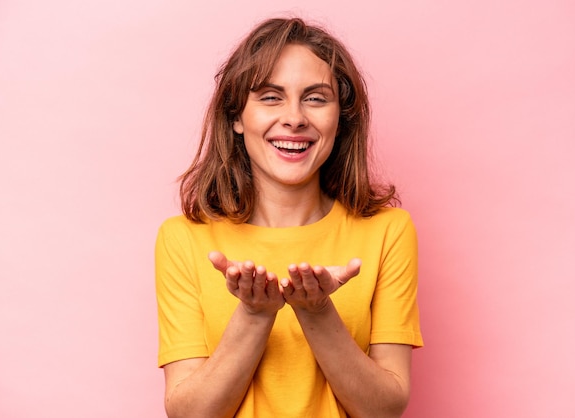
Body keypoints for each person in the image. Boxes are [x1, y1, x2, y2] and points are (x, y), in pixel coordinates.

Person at [155, 17, 423, 418]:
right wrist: (254, 314)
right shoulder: (182, 239)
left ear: (341, 118)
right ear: (236, 118)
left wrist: (317, 312)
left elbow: (384, 410)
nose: (295, 118)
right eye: (270, 97)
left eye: (315, 98)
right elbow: (190, 413)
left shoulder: (388, 231)